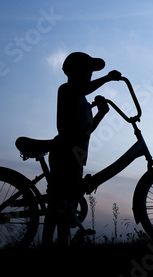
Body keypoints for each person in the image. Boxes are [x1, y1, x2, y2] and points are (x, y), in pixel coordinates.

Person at [43, 52, 121, 245]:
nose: (91, 75)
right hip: (64, 152)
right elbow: (84, 88)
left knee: (66, 204)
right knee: (57, 205)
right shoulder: (67, 89)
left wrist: (101, 113)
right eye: (88, 70)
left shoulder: (83, 101)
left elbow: (87, 130)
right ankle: (47, 244)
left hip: (77, 155)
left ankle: (60, 245)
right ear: (75, 71)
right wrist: (108, 78)